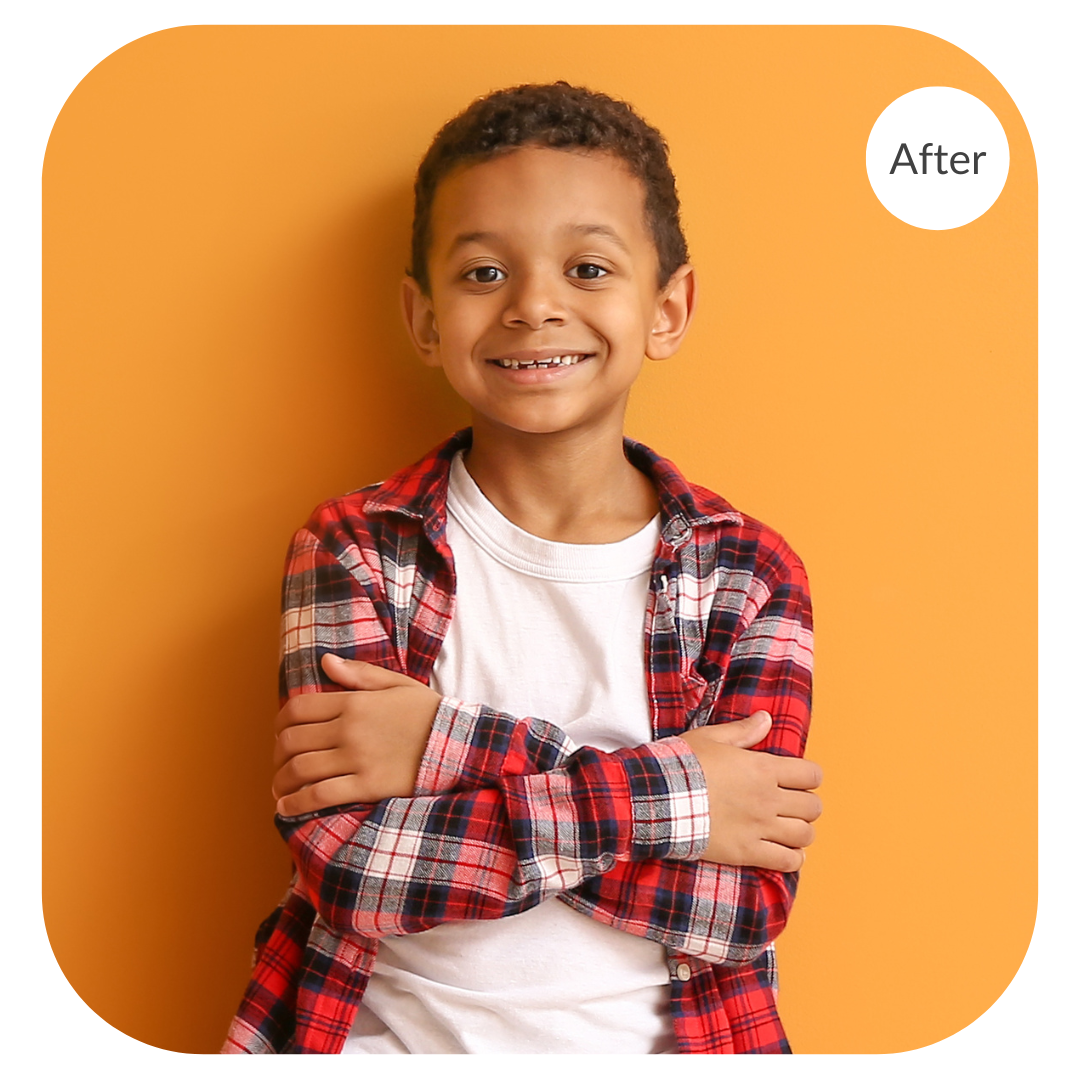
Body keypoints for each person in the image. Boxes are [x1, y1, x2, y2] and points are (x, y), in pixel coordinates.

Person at [223, 82, 822, 1056]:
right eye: (484, 273)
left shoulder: (750, 575)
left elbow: (736, 905)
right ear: (423, 320)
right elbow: (357, 871)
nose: (535, 305)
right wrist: (679, 796)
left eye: (587, 268)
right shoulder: (354, 548)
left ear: (667, 310)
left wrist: (441, 749)